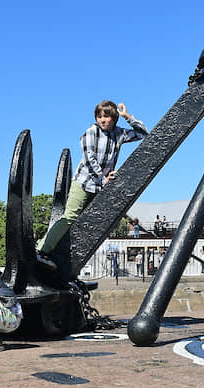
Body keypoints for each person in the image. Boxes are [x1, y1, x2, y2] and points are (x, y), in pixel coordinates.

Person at [36, 100, 148, 269]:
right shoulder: (92, 132)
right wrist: (104, 179)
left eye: (106, 116)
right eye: (99, 116)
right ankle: (42, 251)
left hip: (100, 187)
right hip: (83, 183)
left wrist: (127, 116)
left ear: (114, 118)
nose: (102, 120)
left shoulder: (119, 134)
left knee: (94, 222)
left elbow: (143, 134)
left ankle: (66, 263)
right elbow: (89, 160)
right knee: (69, 217)